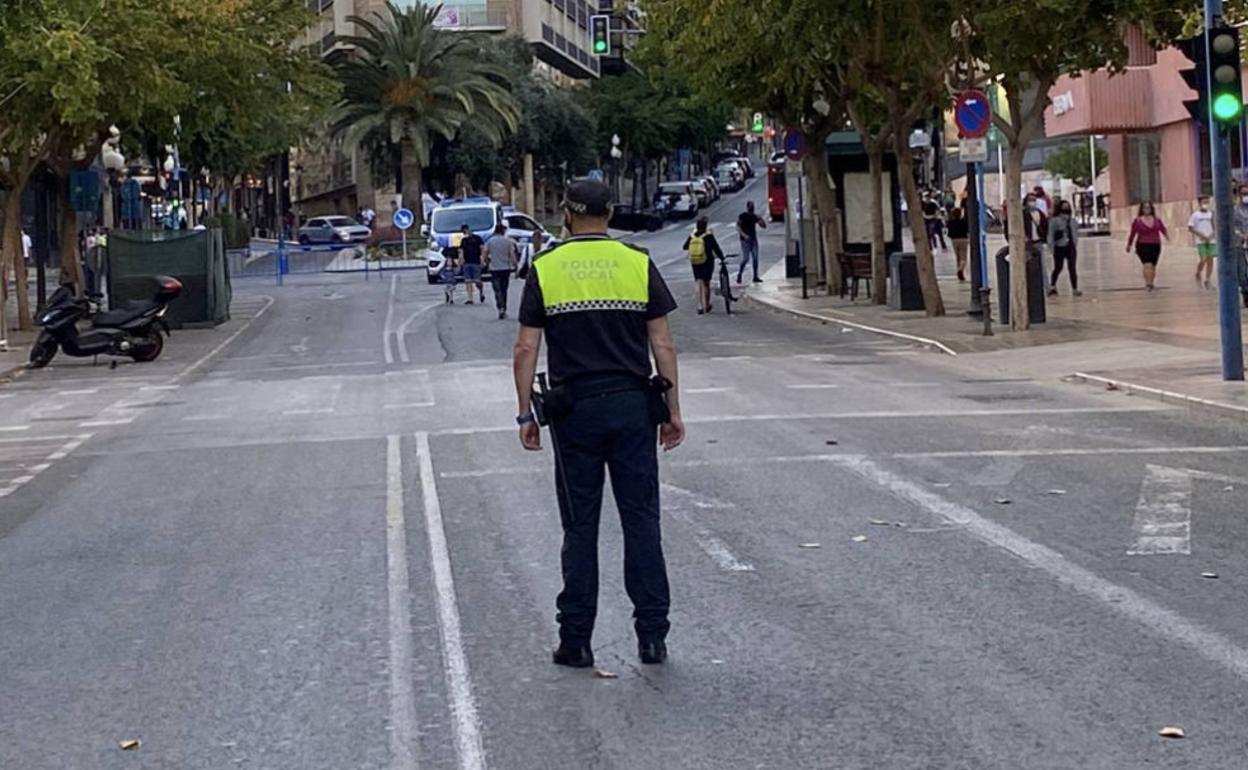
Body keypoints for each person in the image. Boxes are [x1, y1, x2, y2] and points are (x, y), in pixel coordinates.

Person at [513, 177, 683, 669]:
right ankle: (652, 637)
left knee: (580, 527)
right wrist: (672, 411)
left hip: (574, 412)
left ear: (566, 213)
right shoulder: (637, 263)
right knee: (642, 522)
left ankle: (576, 640)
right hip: (633, 406)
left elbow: (526, 348)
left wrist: (526, 413)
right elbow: (663, 344)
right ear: (609, 214)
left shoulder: (546, 268)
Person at [684, 217, 725, 314]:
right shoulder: (708, 236)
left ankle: (699, 306)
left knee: (698, 282)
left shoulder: (693, 235)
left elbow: (685, 246)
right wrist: (721, 257)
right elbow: (716, 248)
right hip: (707, 261)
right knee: (706, 283)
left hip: (695, 261)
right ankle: (706, 304)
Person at [1126, 202, 1170, 291]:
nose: (1147, 210)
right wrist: (1129, 245)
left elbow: (1162, 229)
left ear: (1151, 209)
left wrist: (1167, 236)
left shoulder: (1157, 220)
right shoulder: (1137, 221)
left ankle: (1151, 282)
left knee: (1153, 265)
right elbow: (1132, 234)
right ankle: (1148, 284)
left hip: (1155, 245)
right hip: (1142, 244)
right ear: (1142, 209)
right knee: (1147, 264)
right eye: (1145, 208)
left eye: (1149, 208)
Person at [484, 223, 520, 319]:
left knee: (497, 289)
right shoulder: (508, 241)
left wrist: (486, 262)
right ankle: (504, 307)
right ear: (502, 231)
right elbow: (512, 254)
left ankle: (500, 307)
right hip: (505, 268)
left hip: (494, 268)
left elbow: (485, 254)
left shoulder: (490, 242)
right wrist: (516, 266)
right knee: (504, 289)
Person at [1047, 200, 1080, 297]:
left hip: (1070, 247)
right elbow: (1050, 235)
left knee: (1072, 268)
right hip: (1059, 247)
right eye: (1064, 206)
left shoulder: (1073, 221)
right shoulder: (1054, 221)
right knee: (1058, 267)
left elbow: (1075, 234)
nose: (1066, 208)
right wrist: (1051, 248)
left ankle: (1075, 288)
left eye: (1067, 206)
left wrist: (1074, 244)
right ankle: (1052, 286)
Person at [735, 201, 766, 284]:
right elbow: (737, 227)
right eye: (751, 207)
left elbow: (763, 226)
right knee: (746, 258)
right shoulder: (742, 216)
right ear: (747, 207)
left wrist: (760, 219)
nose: (752, 209)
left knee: (755, 258)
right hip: (745, 241)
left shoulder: (754, 216)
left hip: (753, 239)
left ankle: (755, 276)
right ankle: (740, 274)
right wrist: (744, 235)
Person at [1188, 196, 1215, 289]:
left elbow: (1215, 226)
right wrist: (1201, 235)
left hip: (1211, 240)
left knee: (1210, 260)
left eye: (1207, 202)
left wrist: (1211, 235)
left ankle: (1208, 280)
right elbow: (1190, 228)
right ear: (1199, 203)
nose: (1206, 204)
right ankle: (1198, 272)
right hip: (1201, 241)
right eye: (1204, 202)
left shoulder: (1211, 214)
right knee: (1203, 259)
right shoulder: (1195, 215)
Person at [457, 223, 485, 304]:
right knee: (468, 281)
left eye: (464, 231)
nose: (464, 232)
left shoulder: (477, 238)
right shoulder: (463, 240)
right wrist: (461, 260)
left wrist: (482, 258)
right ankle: (470, 298)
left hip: (476, 261)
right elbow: (461, 251)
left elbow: (482, 248)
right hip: (467, 262)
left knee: (477, 281)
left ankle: (481, 291)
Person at [946, 207, 969, 282]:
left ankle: (959, 271)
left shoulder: (950, 222)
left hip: (954, 240)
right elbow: (967, 229)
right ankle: (960, 269)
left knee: (958, 257)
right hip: (963, 239)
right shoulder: (963, 222)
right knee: (963, 258)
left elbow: (948, 232)